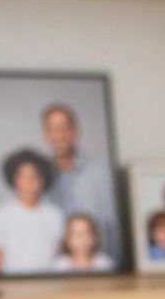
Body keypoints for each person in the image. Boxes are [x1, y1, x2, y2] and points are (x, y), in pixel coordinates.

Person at [41, 103, 121, 266]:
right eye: (54, 129)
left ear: (75, 131)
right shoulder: (37, 179)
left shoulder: (103, 174)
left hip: (99, 270)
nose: (60, 135)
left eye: (65, 128)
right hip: (54, 271)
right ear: (46, 134)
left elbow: (113, 227)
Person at [0, 148, 65, 275]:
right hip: (12, 282)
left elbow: (62, 255)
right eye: (23, 177)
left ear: (42, 180)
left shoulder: (56, 215)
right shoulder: (1, 214)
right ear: (15, 180)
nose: (29, 183)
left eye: (34, 177)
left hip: (49, 281)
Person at [50, 213, 115, 272]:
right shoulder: (59, 266)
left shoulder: (105, 264)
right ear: (67, 240)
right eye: (77, 234)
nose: (82, 239)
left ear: (95, 238)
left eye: (87, 233)